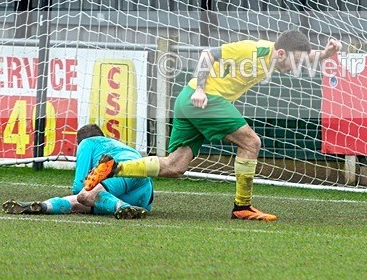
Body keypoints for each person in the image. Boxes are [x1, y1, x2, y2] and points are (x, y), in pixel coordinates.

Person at [83, 29, 342, 222]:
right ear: (281, 52)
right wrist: (203, 90)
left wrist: (325, 54)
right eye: (294, 61)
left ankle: (114, 167)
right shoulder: (254, 50)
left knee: (175, 166)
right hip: (203, 99)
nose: (297, 66)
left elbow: (303, 57)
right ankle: (242, 206)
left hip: (186, 100)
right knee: (251, 142)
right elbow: (209, 54)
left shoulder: (276, 57)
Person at [3, 123, 153, 220]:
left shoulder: (88, 143)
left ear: (79, 143)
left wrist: (88, 186)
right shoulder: (117, 145)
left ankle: (122, 207)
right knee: (78, 203)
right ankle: (44, 206)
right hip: (143, 196)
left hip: (121, 170)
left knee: (83, 195)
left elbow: (79, 185)